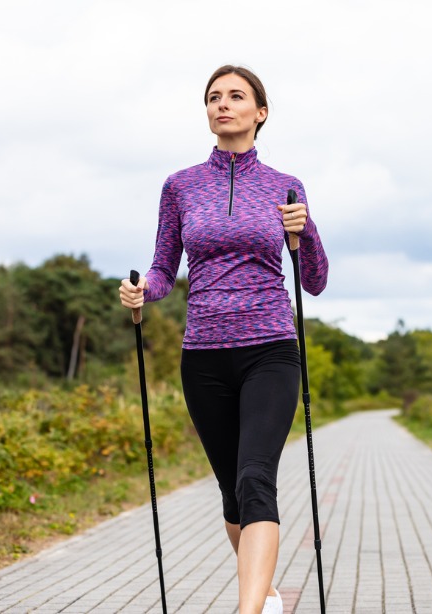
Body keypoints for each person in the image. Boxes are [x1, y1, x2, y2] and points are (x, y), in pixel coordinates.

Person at [119, 64, 328, 614]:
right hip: (204, 355)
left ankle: (247, 609)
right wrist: (143, 292)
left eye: (237, 96)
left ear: (260, 112)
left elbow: (316, 280)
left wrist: (302, 235)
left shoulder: (285, 187)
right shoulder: (180, 186)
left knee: (257, 477)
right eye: (214, 97)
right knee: (234, 495)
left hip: (270, 349)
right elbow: (164, 269)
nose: (223, 105)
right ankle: (265, 593)